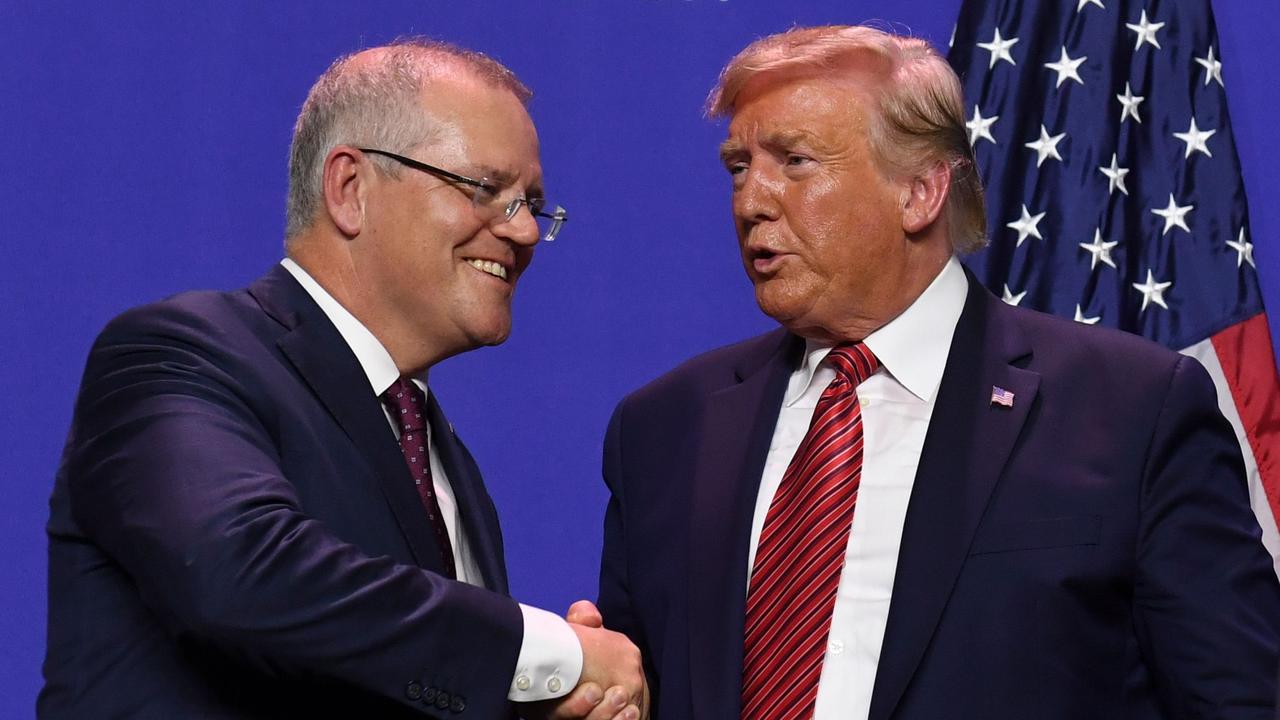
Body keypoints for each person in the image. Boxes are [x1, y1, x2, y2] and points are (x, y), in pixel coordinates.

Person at [591, 25, 1280, 720]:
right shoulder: (663, 429)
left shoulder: (1132, 412)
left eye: (795, 162)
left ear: (920, 191)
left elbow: (1239, 700)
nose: (750, 202)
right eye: (739, 167)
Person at [39, 40, 645, 720]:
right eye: (487, 190)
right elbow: (241, 575)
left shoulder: (441, 456)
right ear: (350, 189)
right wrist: (547, 652)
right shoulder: (178, 353)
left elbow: (399, 665)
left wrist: (538, 702)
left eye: (532, 203)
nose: (527, 232)